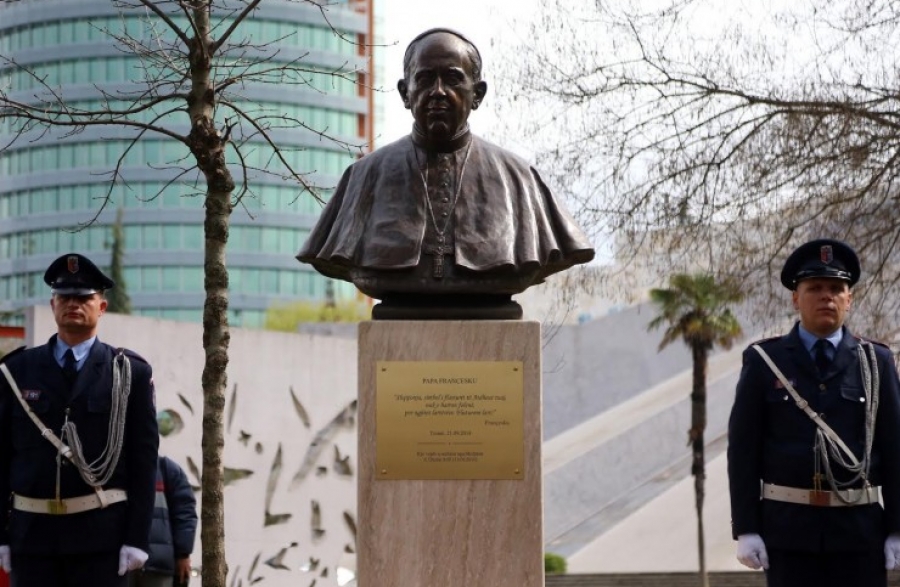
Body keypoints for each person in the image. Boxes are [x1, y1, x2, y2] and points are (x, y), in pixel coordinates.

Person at [297, 28, 595, 319]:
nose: (438, 91)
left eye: (453, 79)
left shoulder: (519, 179)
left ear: (477, 94)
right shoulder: (363, 178)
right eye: (425, 79)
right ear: (405, 92)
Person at [727, 238, 900, 587]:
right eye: (815, 288)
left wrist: (898, 528)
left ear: (849, 298)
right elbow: (743, 450)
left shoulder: (876, 361)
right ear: (795, 298)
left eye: (837, 288)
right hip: (789, 535)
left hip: (859, 533)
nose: (827, 296)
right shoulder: (765, 362)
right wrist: (746, 528)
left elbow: (896, 448)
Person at [0, 253, 159, 587]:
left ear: (101, 307)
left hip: (101, 539)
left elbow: (144, 463)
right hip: (32, 539)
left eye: (83, 298)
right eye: (64, 297)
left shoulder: (129, 373)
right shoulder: (16, 371)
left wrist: (137, 538)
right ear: (52, 305)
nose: (73, 304)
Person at [128, 455, 197, 587]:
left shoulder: (167, 469)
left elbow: (185, 513)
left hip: (159, 566)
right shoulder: (112, 469)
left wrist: (183, 554)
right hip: (121, 564)